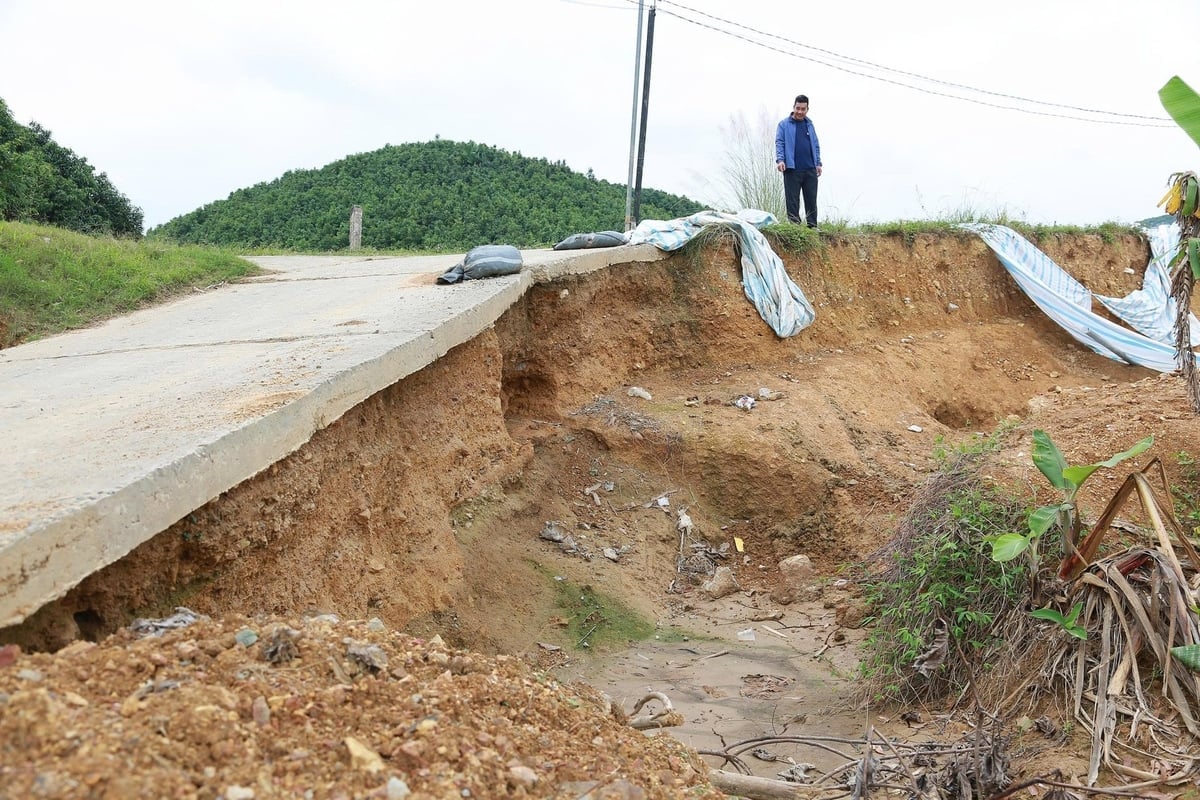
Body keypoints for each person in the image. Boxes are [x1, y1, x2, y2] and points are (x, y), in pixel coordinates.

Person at [775, 94, 823, 228]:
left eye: (803, 109)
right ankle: (794, 228)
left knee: (811, 200)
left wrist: (818, 163)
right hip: (792, 168)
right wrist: (780, 160)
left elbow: (815, 143)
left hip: (810, 168)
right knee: (792, 201)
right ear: (793, 107)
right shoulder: (784, 125)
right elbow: (779, 142)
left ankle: (812, 227)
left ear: (807, 109)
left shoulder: (810, 124)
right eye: (798, 108)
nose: (800, 112)